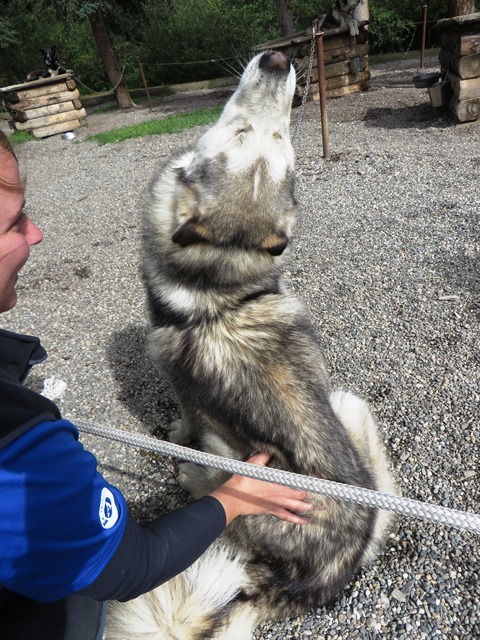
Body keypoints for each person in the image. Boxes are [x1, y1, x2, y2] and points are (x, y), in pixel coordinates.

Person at [0, 130, 313, 640]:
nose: (36, 234)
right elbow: (128, 566)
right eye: (14, 223)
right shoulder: (16, 444)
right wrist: (234, 497)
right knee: (77, 603)